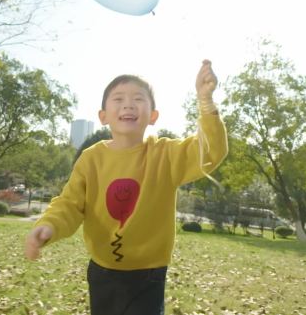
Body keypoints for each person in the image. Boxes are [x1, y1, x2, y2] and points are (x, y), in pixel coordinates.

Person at [24, 60, 228, 315]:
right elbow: (70, 203)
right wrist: (48, 225)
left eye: (138, 99)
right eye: (118, 99)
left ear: (153, 116)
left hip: (148, 274)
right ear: (103, 116)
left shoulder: (165, 155)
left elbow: (210, 152)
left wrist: (205, 102)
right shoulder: (91, 159)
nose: (128, 104)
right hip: (101, 271)